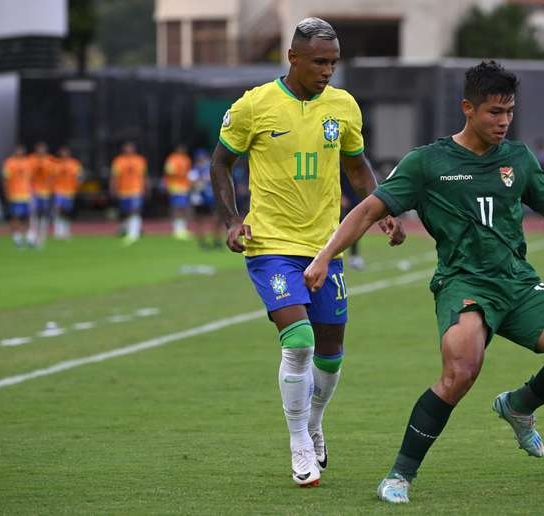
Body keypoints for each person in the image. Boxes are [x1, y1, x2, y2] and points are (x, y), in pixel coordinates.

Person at [304, 60, 544, 503]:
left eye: (509, 111)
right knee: (461, 371)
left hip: (518, 284)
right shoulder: (427, 163)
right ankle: (399, 476)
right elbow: (369, 209)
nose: (503, 121)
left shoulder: (518, 158)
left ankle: (519, 405)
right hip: (464, 283)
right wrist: (325, 256)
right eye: (494, 112)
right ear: (468, 108)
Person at [210, 17, 405, 487]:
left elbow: (357, 168)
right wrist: (232, 220)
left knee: (332, 351)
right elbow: (221, 164)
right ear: (293, 57)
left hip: (325, 248)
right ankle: (299, 441)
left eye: (333, 62)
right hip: (270, 244)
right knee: (298, 341)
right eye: (319, 61)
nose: (327, 71)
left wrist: (381, 209)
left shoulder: (344, 107)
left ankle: (315, 421)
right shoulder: (254, 106)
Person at [110, 141, 148, 245]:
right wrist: (113, 188)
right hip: (123, 190)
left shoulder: (140, 160)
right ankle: (126, 229)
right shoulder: (118, 161)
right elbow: (114, 176)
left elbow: (144, 175)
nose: (129, 150)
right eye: (127, 148)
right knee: (126, 211)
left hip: (136, 189)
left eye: (130, 147)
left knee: (135, 210)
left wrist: (145, 187)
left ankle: (134, 233)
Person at [188, 149, 224, 250]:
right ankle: (202, 242)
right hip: (199, 199)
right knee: (201, 220)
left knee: (216, 218)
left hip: (210, 197)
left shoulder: (209, 168)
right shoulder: (194, 170)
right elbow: (193, 184)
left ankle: (216, 240)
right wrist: (203, 181)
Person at [2, 144, 32, 247]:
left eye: (21, 149)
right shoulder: (9, 163)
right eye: (18, 150)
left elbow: (30, 179)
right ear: (15, 151)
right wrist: (7, 193)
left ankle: (29, 237)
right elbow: (5, 179)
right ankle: (17, 238)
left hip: (26, 195)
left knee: (27, 216)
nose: (20, 151)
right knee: (15, 216)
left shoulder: (28, 162)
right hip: (14, 194)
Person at [27, 141, 56, 246]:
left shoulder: (50, 160)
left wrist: (49, 184)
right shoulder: (31, 160)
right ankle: (32, 235)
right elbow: (28, 175)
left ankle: (42, 235)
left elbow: (53, 175)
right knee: (33, 213)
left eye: (43, 148)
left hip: (45, 192)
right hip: (34, 192)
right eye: (39, 148)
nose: (41, 150)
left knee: (43, 214)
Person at [163, 143, 193, 240]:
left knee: (183, 207)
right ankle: (176, 229)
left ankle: (182, 228)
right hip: (175, 187)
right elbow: (168, 172)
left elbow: (189, 173)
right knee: (177, 207)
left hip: (185, 187)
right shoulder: (172, 159)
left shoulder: (186, 159)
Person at [52, 145, 82, 239]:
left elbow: (79, 176)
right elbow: (51, 177)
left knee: (67, 212)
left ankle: (66, 231)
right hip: (59, 191)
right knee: (59, 209)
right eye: (62, 152)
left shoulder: (74, 164)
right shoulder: (56, 164)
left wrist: (78, 185)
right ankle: (58, 230)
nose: (64, 154)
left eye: (66, 152)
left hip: (70, 191)